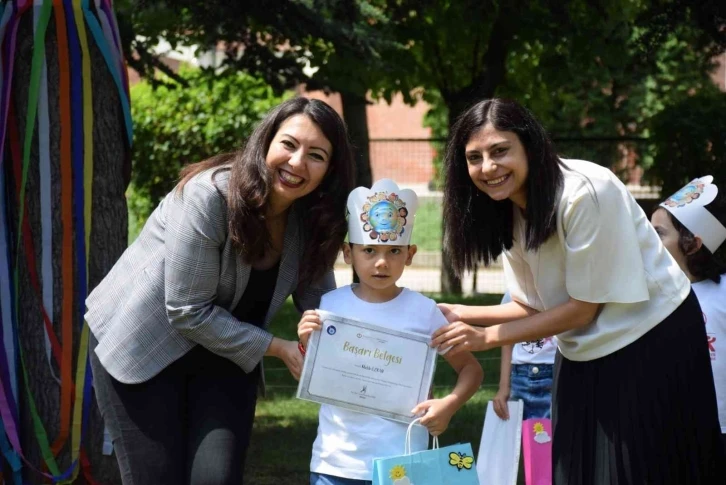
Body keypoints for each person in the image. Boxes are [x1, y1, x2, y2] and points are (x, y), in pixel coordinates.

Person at [431, 98, 724, 483]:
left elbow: (583, 310)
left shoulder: (585, 191)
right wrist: (458, 312)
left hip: (651, 340)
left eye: (500, 151)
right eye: (474, 157)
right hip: (581, 350)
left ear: (529, 146)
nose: (487, 167)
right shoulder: (507, 208)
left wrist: (485, 337)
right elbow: (531, 304)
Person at [85, 97, 355, 485]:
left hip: (225, 355)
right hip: (146, 346)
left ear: (330, 169)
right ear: (266, 142)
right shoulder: (208, 195)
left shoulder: (313, 218)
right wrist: (279, 347)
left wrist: (388, 339)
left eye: (316, 155)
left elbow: (324, 307)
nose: (297, 163)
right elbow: (187, 311)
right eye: (289, 144)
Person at [297, 179, 483, 485]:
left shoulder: (424, 312)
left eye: (394, 250)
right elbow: (315, 378)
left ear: (410, 254)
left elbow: (471, 369)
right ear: (348, 253)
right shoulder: (330, 306)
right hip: (335, 462)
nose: (382, 262)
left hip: (403, 461)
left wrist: (448, 405)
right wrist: (307, 342)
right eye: (369, 250)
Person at [651, 176, 726, 451]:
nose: (647, 241)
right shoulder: (650, 296)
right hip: (670, 429)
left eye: (658, 234)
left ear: (692, 244)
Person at [492, 293, 556, 422]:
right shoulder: (513, 292)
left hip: (556, 374)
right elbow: (507, 341)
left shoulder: (560, 290)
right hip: (520, 377)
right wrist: (504, 386)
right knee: (520, 432)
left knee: (555, 431)